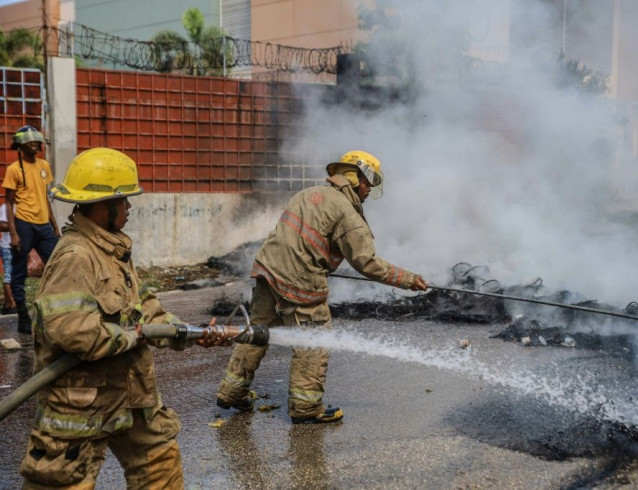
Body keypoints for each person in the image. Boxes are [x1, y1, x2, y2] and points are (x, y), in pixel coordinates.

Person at [19, 147, 225, 488]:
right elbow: (71, 332)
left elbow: (145, 310)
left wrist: (191, 333)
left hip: (131, 392)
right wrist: (132, 336)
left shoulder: (112, 249)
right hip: (81, 404)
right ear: (103, 206)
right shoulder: (75, 256)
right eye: (124, 201)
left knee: (160, 464)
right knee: (64, 481)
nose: (129, 209)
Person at [216, 150, 427, 424]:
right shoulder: (347, 214)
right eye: (368, 183)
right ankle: (306, 408)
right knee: (314, 339)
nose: (368, 190)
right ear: (355, 176)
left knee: (258, 331)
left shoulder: (308, 193)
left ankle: (231, 393)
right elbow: (367, 263)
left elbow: (301, 240)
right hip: (300, 282)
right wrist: (409, 280)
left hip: (267, 270)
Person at [2, 125, 60, 333]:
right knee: (18, 274)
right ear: (20, 145)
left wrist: (54, 225)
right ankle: (23, 317)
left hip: (44, 226)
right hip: (24, 225)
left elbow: (46, 197)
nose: (35, 144)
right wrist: (14, 233)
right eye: (30, 141)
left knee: (59, 264)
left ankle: (55, 312)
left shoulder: (44, 165)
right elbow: (9, 203)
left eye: (37, 141)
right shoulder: (13, 169)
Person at [0, 199, 17, 314]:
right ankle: (11, 304)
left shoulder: (19, 206)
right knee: (8, 276)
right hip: (7, 245)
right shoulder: (5, 207)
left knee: (13, 275)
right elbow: (1, 225)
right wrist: (15, 226)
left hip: (14, 246)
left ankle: (7, 304)